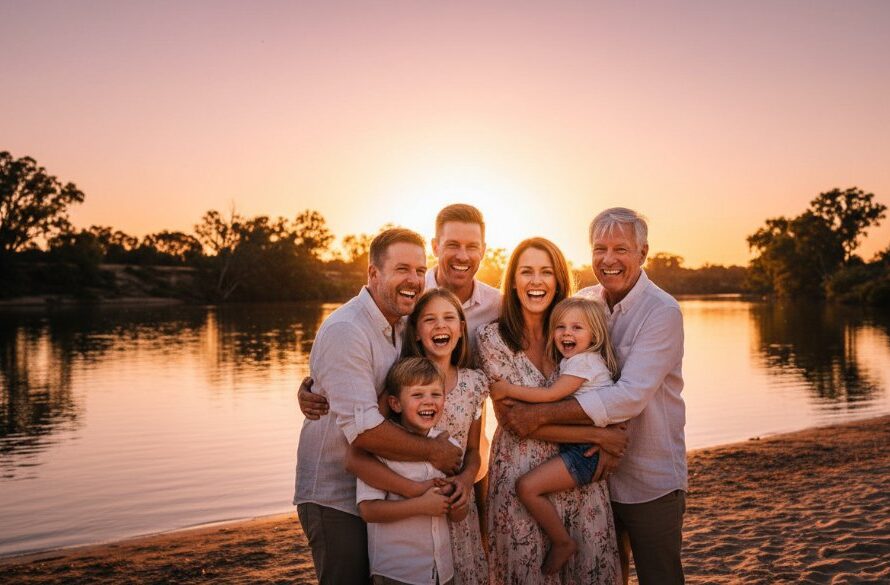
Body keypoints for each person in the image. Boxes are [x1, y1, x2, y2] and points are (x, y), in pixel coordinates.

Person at [500, 208, 687, 585]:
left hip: (647, 475)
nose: (609, 259)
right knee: (606, 575)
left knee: (660, 575)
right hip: (590, 477)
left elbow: (630, 396)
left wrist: (540, 416)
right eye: (600, 248)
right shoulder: (586, 302)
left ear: (643, 253)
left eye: (621, 248)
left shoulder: (661, 311)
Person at [293, 228, 463, 585]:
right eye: (402, 269)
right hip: (335, 493)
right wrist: (435, 452)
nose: (414, 280)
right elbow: (366, 430)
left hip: (380, 486)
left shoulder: (402, 325)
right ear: (373, 273)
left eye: (420, 270)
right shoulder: (346, 330)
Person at [477, 237, 622, 585]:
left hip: (581, 475)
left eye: (546, 272)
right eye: (527, 272)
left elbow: (605, 395)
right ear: (513, 280)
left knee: (591, 570)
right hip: (519, 472)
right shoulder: (492, 338)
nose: (536, 281)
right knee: (527, 572)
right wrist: (598, 435)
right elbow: (518, 423)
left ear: (559, 280)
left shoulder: (576, 335)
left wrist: (606, 434)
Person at [300, 203, 500, 421]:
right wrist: (318, 387)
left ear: (483, 250)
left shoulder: (498, 305)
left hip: (465, 430)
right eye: (452, 245)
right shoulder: (409, 297)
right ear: (435, 247)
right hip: (403, 429)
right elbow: (351, 352)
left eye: (472, 246)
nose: (462, 256)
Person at [349, 288, 490, 584]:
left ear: (461, 329)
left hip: (457, 504)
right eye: (430, 320)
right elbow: (367, 445)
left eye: (449, 317)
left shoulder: (475, 382)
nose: (440, 325)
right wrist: (415, 493)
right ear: (415, 333)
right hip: (409, 516)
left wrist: (465, 482)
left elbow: (475, 451)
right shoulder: (399, 382)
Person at [357, 357, 463, 585]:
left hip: (442, 571)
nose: (428, 402)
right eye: (417, 395)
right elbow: (368, 511)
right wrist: (420, 506)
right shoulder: (382, 450)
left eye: (436, 394)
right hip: (398, 571)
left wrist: (458, 501)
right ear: (395, 404)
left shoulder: (449, 447)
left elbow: (457, 515)